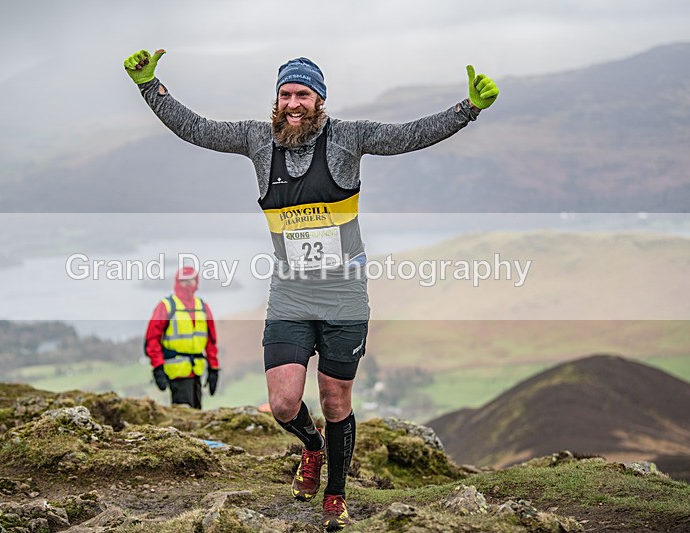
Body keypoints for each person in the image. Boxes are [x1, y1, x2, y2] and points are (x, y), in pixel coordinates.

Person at [125, 49, 498, 531]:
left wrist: (467, 109)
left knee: (336, 401)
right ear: (276, 99)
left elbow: (409, 135)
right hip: (291, 294)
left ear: (319, 99)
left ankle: (335, 496)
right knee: (283, 402)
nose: (293, 103)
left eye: (303, 94)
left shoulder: (347, 137)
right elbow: (195, 128)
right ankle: (313, 447)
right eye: (286, 94)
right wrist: (149, 86)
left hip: (344, 295)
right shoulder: (258, 140)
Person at [144, 266, 220, 409]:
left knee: (196, 413)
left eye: (191, 280)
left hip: (196, 371)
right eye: (184, 281)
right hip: (176, 373)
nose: (188, 284)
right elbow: (152, 339)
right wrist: (158, 368)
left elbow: (211, 342)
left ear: (196, 282)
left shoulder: (203, 307)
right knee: (184, 415)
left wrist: (213, 369)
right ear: (177, 282)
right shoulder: (166, 306)